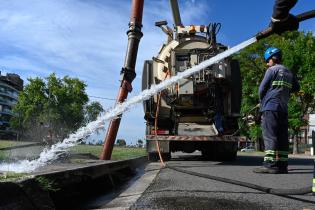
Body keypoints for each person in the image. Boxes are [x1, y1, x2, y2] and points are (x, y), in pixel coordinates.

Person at [253, 47, 300, 174]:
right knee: (282, 137)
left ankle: (270, 164)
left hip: (270, 108)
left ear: (272, 59)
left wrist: (262, 101)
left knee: (270, 136)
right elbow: (297, 87)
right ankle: (282, 165)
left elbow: (261, 89)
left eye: (267, 61)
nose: (267, 63)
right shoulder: (289, 72)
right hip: (283, 109)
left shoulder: (271, 70)